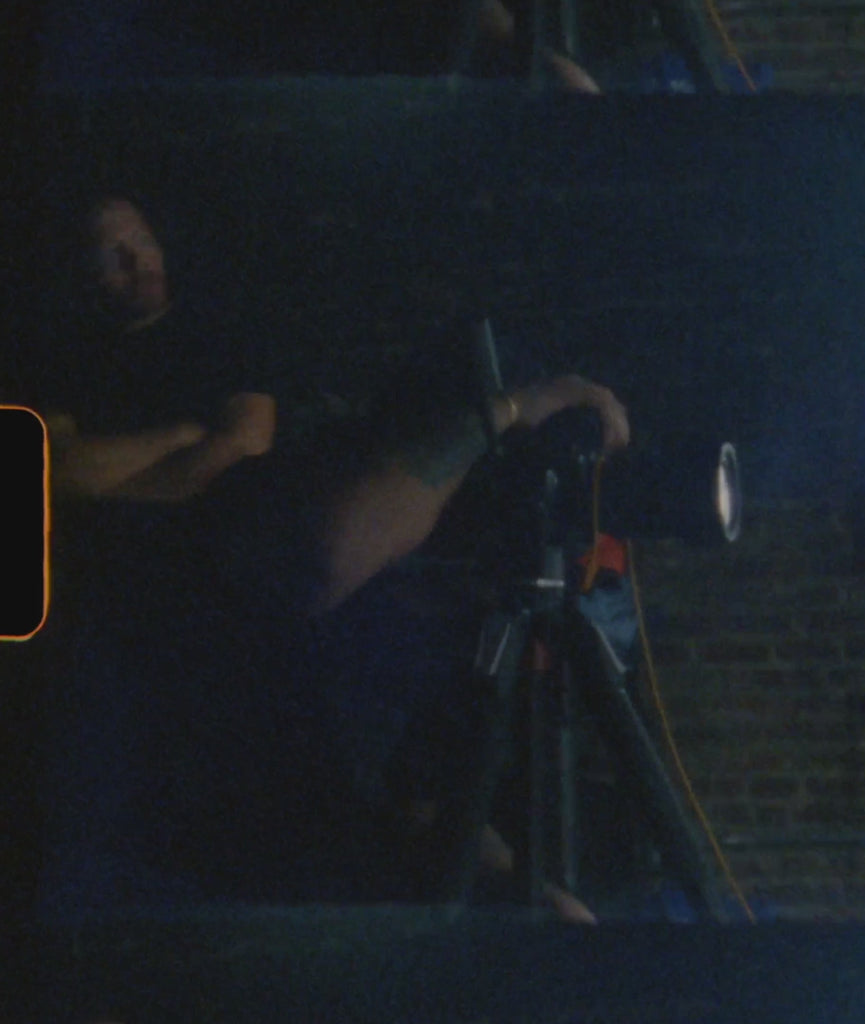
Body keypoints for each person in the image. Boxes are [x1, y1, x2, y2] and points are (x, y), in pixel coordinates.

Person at [31, 195, 629, 920]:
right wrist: (185, 441)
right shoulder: (54, 361)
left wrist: (523, 896)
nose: (135, 258)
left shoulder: (437, 614)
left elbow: (418, 804)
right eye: (110, 248)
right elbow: (51, 472)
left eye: (141, 239)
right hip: (159, 794)